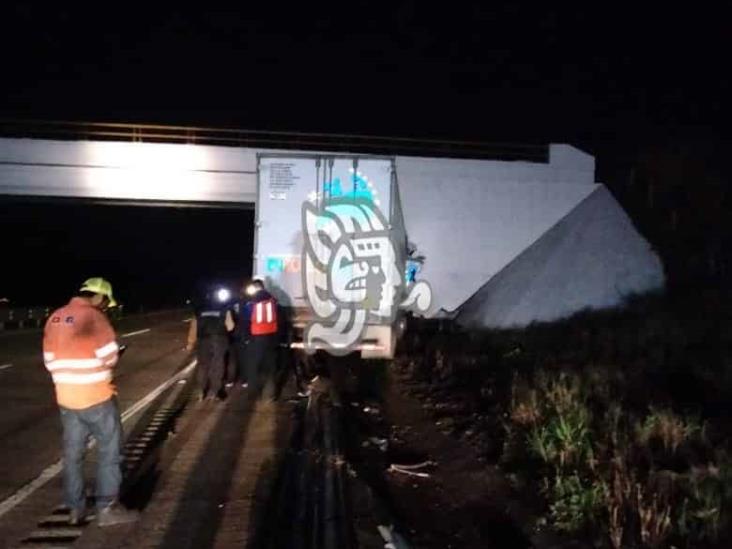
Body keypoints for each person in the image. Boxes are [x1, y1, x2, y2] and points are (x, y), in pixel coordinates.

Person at [42, 277, 139, 527]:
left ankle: (75, 509)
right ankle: (107, 508)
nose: (105, 307)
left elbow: (50, 361)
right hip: (97, 397)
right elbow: (109, 358)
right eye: (105, 302)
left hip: (66, 398)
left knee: (73, 455)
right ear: (98, 297)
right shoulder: (95, 318)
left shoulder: (55, 317)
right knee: (110, 451)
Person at [186, 285, 235, 401]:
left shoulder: (199, 309)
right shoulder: (225, 309)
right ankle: (216, 391)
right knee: (218, 366)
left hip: (203, 340)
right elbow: (230, 326)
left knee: (203, 365)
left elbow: (194, 327)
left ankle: (201, 391)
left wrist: (190, 342)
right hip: (219, 339)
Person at [238, 278, 279, 395]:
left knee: (253, 366)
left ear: (255, 289)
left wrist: (245, 338)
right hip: (271, 337)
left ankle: (253, 392)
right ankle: (270, 394)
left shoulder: (251, 303)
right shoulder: (273, 302)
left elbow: (245, 321)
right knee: (271, 367)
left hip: (255, 338)